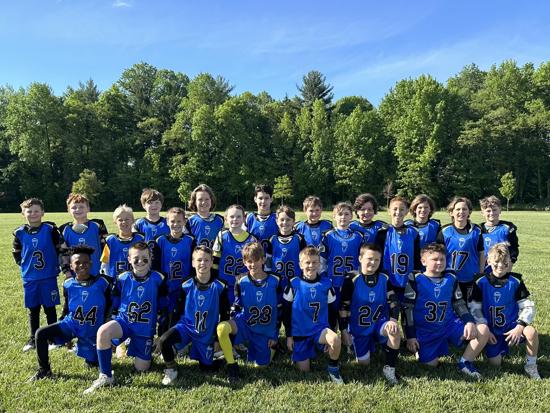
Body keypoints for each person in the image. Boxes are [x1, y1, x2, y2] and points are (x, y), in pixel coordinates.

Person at [83, 241, 168, 394]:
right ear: (129, 259)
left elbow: (164, 308)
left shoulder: (158, 278)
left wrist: (160, 333)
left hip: (144, 328)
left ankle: (131, 347)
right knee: (103, 332)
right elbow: (114, 303)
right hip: (125, 322)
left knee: (141, 368)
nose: (140, 261)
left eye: (144, 258)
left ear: (150, 258)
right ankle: (105, 375)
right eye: (136, 258)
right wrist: (111, 320)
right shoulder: (122, 278)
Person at [403, 243, 489, 380]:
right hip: (426, 331)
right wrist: (410, 336)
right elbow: (408, 309)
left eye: (442, 259)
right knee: (430, 365)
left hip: (449, 325)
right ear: (423, 261)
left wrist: (469, 321)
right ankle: (429, 349)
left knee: (483, 330)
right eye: (434, 259)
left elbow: (459, 303)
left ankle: (465, 362)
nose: (439, 262)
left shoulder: (451, 278)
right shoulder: (415, 279)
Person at [29, 245, 111, 380]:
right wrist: (63, 329)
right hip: (72, 324)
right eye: (77, 263)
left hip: (92, 330)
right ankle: (44, 370)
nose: (82, 265)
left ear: (91, 263)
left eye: (85, 262)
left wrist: (107, 331)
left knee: (92, 363)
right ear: (71, 266)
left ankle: (89, 352)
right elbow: (67, 308)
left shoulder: (103, 282)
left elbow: (110, 306)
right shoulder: (68, 284)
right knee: (40, 334)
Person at [157, 245, 230, 385]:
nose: (203, 263)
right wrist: (171, 331)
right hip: (187, 327)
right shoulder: (186, 284)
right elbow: (177, 311)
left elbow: (225, 315)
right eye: (199, 260)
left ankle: (219, 358)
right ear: (193, 263)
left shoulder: (220, 286)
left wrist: (217, 340)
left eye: (207, 260)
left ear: (211, 262)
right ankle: (171, 369)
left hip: (206, 333)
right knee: (164, 341)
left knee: (206, 369)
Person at [469, 243, 540, 379]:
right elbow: (474, 308)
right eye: (496, 262)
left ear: (509, 262)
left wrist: (519, 327)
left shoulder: (515, 281)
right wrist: (486, 330)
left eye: (504, 263)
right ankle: (487, 348)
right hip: (491, 329)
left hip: (511, 327)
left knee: (531, 331)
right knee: (496, 364)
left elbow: (527, 306)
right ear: (488, 261)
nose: (500, 266)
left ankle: (531, 365)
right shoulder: (480, 281)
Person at [217, 242, 282, 381]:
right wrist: (233, 324)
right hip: (246, 323)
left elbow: (280, 310)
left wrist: (274, 335)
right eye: (249, 261)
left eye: (256, 260)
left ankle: (273, 348)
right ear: (244, 262)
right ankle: (231, 365)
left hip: (264, 329)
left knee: (260, 367)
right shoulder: (241, 280)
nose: (253, 264)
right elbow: (237, 305)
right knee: (222, 328)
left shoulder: (275, 280)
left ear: (263, 260)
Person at [339, 244, 401, 385]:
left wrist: (392, 320)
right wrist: (343, 331)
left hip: (379, 323)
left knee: (394, 330)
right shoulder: (351, 278)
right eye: (369, 259)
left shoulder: (384, 277)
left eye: (377, 260)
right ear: (360, 258)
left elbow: (394, 301)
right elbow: (343, 307)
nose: (373, 263)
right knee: (364, 364)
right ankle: (357, 344)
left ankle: (389, 368)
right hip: (359, 328)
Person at [283, 247, 344, 384]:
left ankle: (333, 368)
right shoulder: (294, 283)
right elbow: (286, 312)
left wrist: (331, 331)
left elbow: (333, 311)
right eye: (307, 262)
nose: (311, 265)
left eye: (315, 262)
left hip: (319, 329)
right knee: (304, 372)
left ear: (319, 264)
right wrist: (289, 336)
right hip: (300, 332)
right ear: (300, 264)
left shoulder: (326, 284)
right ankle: (301, 354)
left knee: (335, 340)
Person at [13, 198, 64, 352]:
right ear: (23, 213)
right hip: (30, 278)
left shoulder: (50, 229)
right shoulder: (19, 233)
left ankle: (53, 338)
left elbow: (60, 248)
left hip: (48, 276)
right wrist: (25, 266)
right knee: (33, 309)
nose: (33, 214)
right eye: (29, 211)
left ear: (42, 212)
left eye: (36, 211)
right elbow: (17, 253)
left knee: (50, 308)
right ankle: (33, 339)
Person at [152, 207, 195, 334]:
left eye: (179, 221)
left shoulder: (190, 240)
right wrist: (161, 285)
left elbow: (194, 264)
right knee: (164, 316)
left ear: (184, 222)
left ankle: (180, 340)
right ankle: (162, 339)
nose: (176, 224)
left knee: (181, 314)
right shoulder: (160, 240)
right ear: (167, 221)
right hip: (166, 286)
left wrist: (190, 282)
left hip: (183, 285)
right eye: (172, 221)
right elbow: (155, 265)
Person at [437, 196, 485, 301]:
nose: (461, 212)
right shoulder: (445, 231)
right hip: (450, 278)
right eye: (458, 209)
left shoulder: (477, 231)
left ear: (469, 212)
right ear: (451, 212)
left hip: (471, 278)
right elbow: (439, 255)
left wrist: (480, 274)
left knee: (471, 307)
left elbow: (481, 253)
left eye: (464, 209)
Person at [376, 196, 421, 299]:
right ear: (389, 211)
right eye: (395, 209)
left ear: (407, 212)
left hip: (408, 280)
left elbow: (417, 257)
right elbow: (378, 257)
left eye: (401, 209)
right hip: (388, 280)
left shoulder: (413, 232)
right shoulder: (383, 232)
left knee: (408, 307)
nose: (398, 212)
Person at [320, 202, 363, 306]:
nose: (343, 217)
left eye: (346, 214)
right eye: (340, 214)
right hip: (333, 281)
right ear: (334, 216)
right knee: (333, 311)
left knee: (350, 310)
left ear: (351, 216)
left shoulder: (358, 236)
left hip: (352, 281)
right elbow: (322, 260)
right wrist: (323, 278)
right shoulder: (328, 235)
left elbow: (362, 260)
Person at [213, 205, 257, 303]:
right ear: (226, 219)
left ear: (244, 218)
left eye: (238, 216)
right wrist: (214, 278)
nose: (235, 219)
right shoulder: (221, 236)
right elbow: (215, 260)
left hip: (244, 283)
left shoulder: (252, 239)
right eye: (232, 216)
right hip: (224, 282)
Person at [60, 193, 108, 278]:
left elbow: (106, 248)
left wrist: (105, 269)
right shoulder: (64, 229)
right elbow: (63, 254)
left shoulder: (98, 225)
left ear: (88, 208)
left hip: (97, 272)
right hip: (75, 276)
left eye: (81, 207)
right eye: (74, 207)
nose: (78, 209)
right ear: (68, 210)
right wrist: (67, 273)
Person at [266, 205, 307, 289]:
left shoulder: (299, 239)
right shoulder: (272, 239)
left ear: (293, 221)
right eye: (282, 219)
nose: (284, 222)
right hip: (276, 282)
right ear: (277, 221)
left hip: (295, 281)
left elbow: (305, 260)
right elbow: (268, 263)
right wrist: (268, 279)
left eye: (288, 220)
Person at [100, 204, 144, 280]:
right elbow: (105, 264)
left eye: (127, 219)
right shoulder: (111, 240)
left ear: (133, 220)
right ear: (115, 222)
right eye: (120, 220)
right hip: (116, 281)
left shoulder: (140, 239)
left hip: (135, 281)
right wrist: (108, 279)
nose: (124, 222)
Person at [479, 195, 519, 271]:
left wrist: (509, 265)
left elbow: (514, 249)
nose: (492, 213)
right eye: (488, 211)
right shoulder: (477, 230)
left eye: (494, 210)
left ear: (500, 210)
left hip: (501, 267)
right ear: (482, 212)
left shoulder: (507, 228)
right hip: (482, 267)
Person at [186, 184, 224, 248]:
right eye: (200, 199)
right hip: (196, 254)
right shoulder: (190, 221)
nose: (203, 202)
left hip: (214, 254)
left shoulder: (220, 220)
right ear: (194, 201)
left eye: (207, 199)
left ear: (211, 200)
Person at [245, 184, 278, 253]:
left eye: (266, 198)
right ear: (255, 199)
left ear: (271, 199)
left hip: (273, 257)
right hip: (253, 258)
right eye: (260, 198)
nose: (263, 201)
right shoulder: (249, 217)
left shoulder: (277, 217)